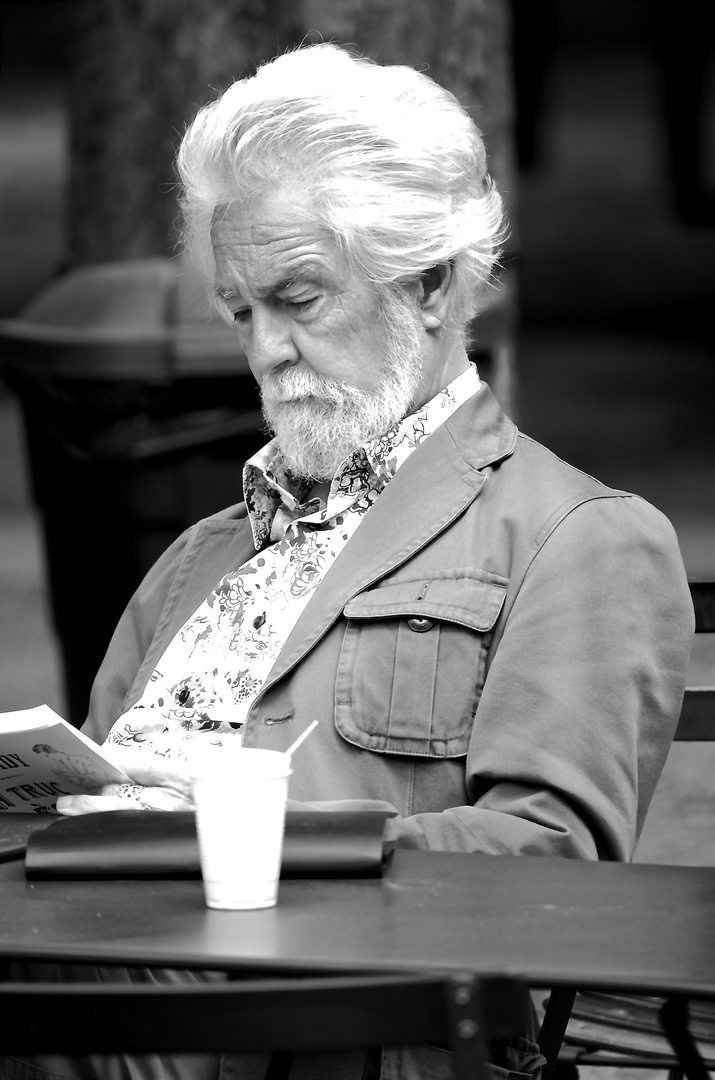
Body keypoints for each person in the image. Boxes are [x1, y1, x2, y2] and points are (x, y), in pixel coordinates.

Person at [2, 43, 694, 1080]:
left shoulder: (577, 535)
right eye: (241, 310)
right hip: (77, 993)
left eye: (300, 298)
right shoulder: (197, 560)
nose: (265, 348)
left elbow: (554, 870)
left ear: (424, 284)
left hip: (316, 1029)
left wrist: (244, 834)